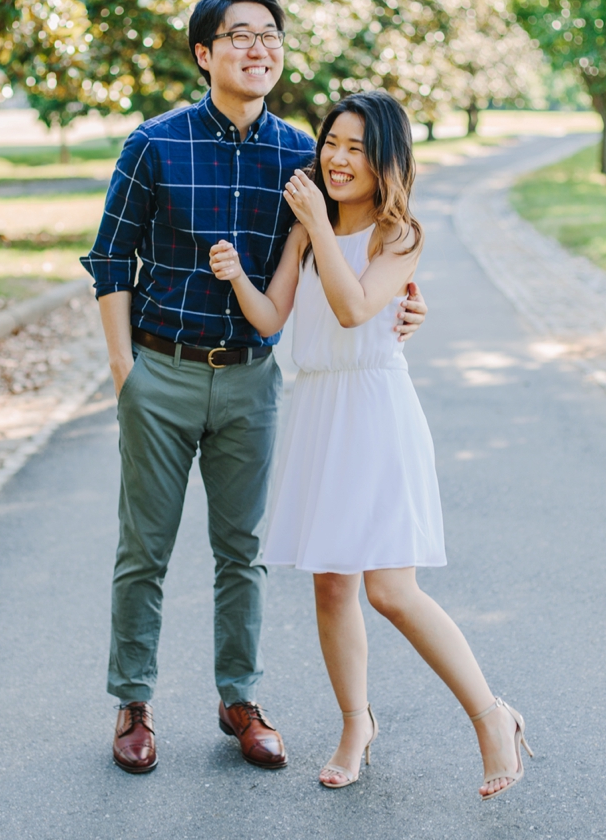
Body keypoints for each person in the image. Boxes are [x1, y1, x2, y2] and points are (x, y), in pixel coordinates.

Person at [81, 0, 428, 775]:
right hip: (160, 372)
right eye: (239, 35)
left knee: (243, 551)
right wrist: (122, 370)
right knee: (145, 550)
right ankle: (134, 701)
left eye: (270, 34)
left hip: (254, 380)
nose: (258, 47)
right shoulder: (153, 144)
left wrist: (407, 301)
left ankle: (239, 697)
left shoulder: (300, 156)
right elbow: (109, 260)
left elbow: (361, 240)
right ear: (205, 54)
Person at [209, 90, 531, 799]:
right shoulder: (305, 229)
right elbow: (271, 318)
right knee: (330, 583)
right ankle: (356, 724)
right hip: (318, 408)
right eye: (331, 143)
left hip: (376, 412)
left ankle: (491, 716)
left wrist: (318, 224)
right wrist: (237, 278)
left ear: (386, 160)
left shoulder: (400, 235)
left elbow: (355, 309)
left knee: (391, 589)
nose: (337, 158)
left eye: (356, 148)